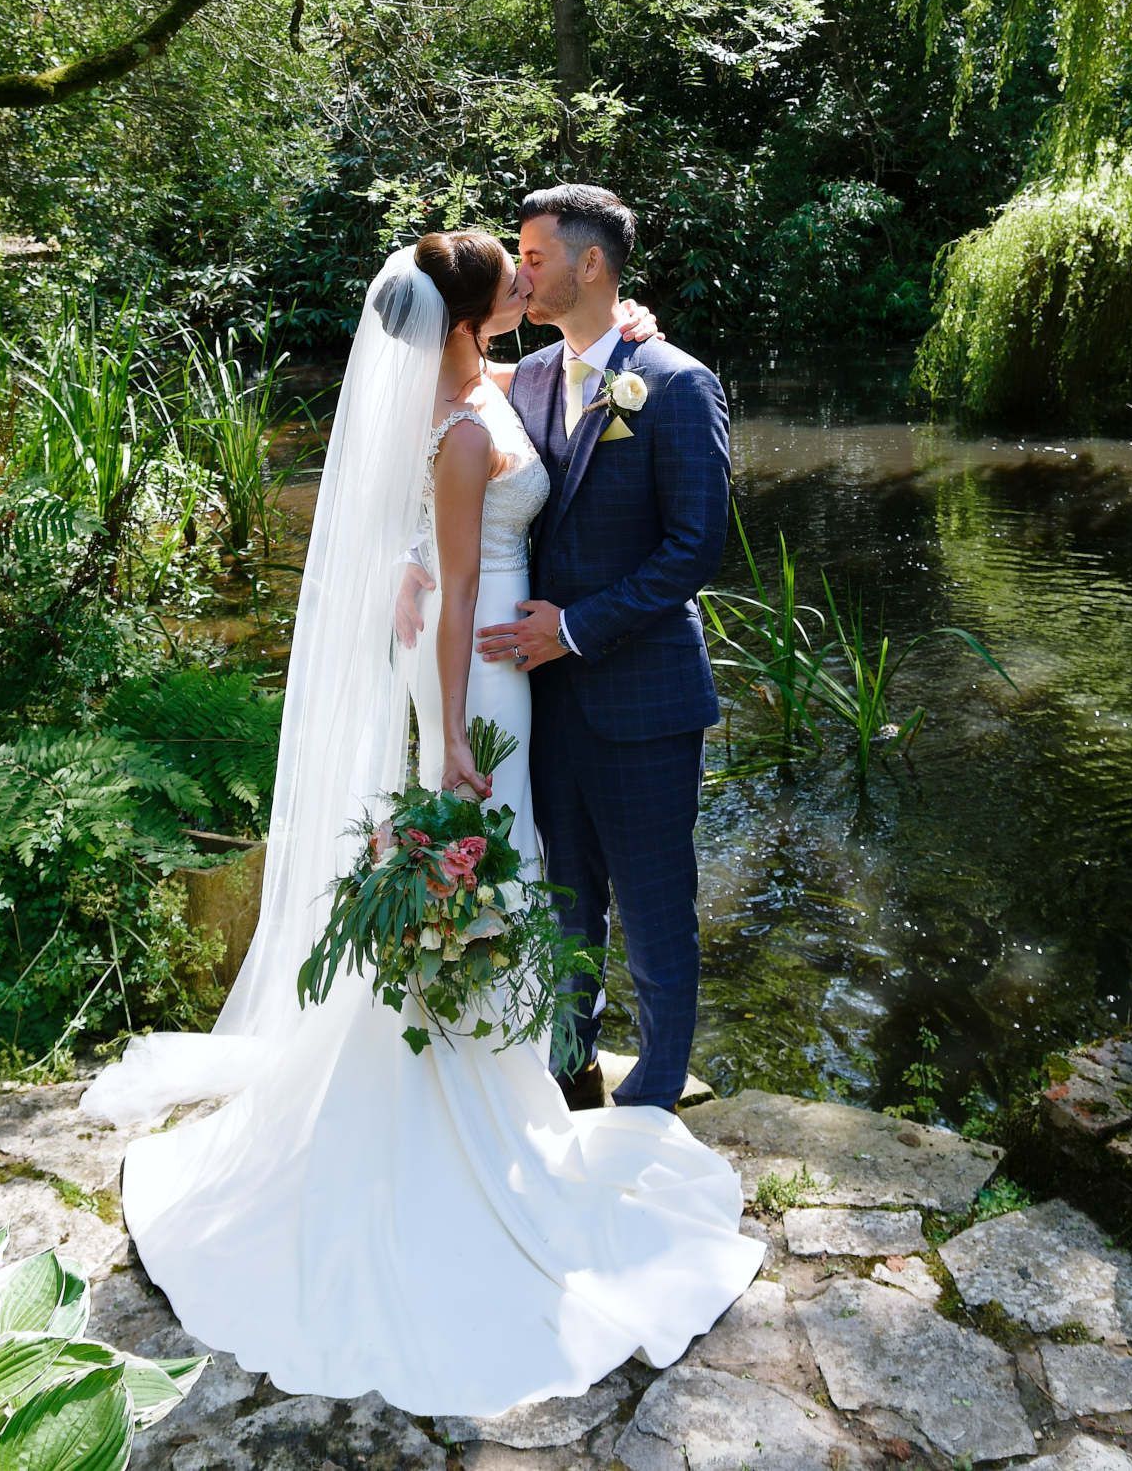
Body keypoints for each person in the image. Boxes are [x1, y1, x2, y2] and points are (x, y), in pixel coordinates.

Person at [80, 233, 761, 1418]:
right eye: (512, 271)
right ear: (468, 313)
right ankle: (456, 1104)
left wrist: (619, 346)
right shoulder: (470, 414)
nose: (526, 282)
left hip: (522, 654)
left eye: (540, 262)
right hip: (478, 669)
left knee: (554, 882)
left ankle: (541, 1079)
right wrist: (444, 725)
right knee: (498, 866)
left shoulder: (521, 381)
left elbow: (556, 493)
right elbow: (452, 520)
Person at [477, 185, 731, 1114]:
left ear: (591, 264)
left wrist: (574, 628)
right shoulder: (532, 376)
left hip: (645, 701)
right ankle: (566, 1062)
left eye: (535, 255)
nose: (520, 271)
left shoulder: (675, 383)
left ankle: (657, 1092)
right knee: (566, 898)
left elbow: (695, 548)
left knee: (659, 910)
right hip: (545, 702)